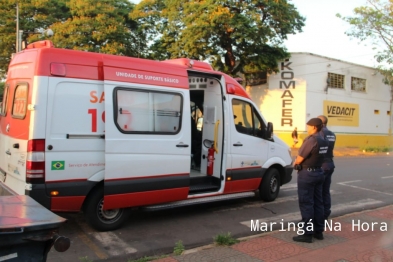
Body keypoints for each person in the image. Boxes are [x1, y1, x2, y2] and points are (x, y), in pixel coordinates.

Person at [292, 118, 328, 243]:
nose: (307, 129)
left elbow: (299, 159)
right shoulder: (323, 140)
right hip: (318, 172)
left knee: (306, 203)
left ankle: (307, 234)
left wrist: (295, 163)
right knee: (318, 203)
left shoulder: (311, 140)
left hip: (307, 175)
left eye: (308, 127)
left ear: (314, 127)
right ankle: (319, 231)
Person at [318, 115, 336, 220]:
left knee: (318, 192)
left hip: (322, 164)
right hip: (330, 163)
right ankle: (326, 213)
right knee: (325, 190)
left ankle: (319, 215)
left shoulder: (320, 134)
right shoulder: (332, 134)